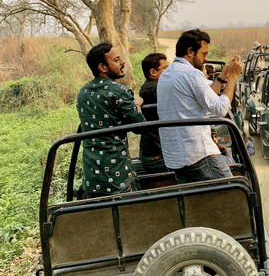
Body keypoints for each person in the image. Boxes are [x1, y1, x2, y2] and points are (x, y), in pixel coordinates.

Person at [157, 29, 243, 184]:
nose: (206, 58)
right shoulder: (191, 74)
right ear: (190, 51)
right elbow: (220, 109)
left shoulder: (167, 74)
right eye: (204, 53)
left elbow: (205, 95)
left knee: (197, 202)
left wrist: (223, 76)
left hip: (175, 157)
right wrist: (234, 77)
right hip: (198, 154)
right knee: (233, 191)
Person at [76, 42, 145, 198]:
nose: (122, 63)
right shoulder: (119, 92)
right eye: (116, 60)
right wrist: (137, 104)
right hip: (117, 176)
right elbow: (139, 126)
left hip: (92, 177)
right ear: (103, 67)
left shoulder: (83, 93)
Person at [139, 53, 169, 173]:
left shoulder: (152, 86)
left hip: (156, 150)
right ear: (153, 72)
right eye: (165, 68)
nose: (169, 71)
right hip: (156, 155)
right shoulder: (153, 89)